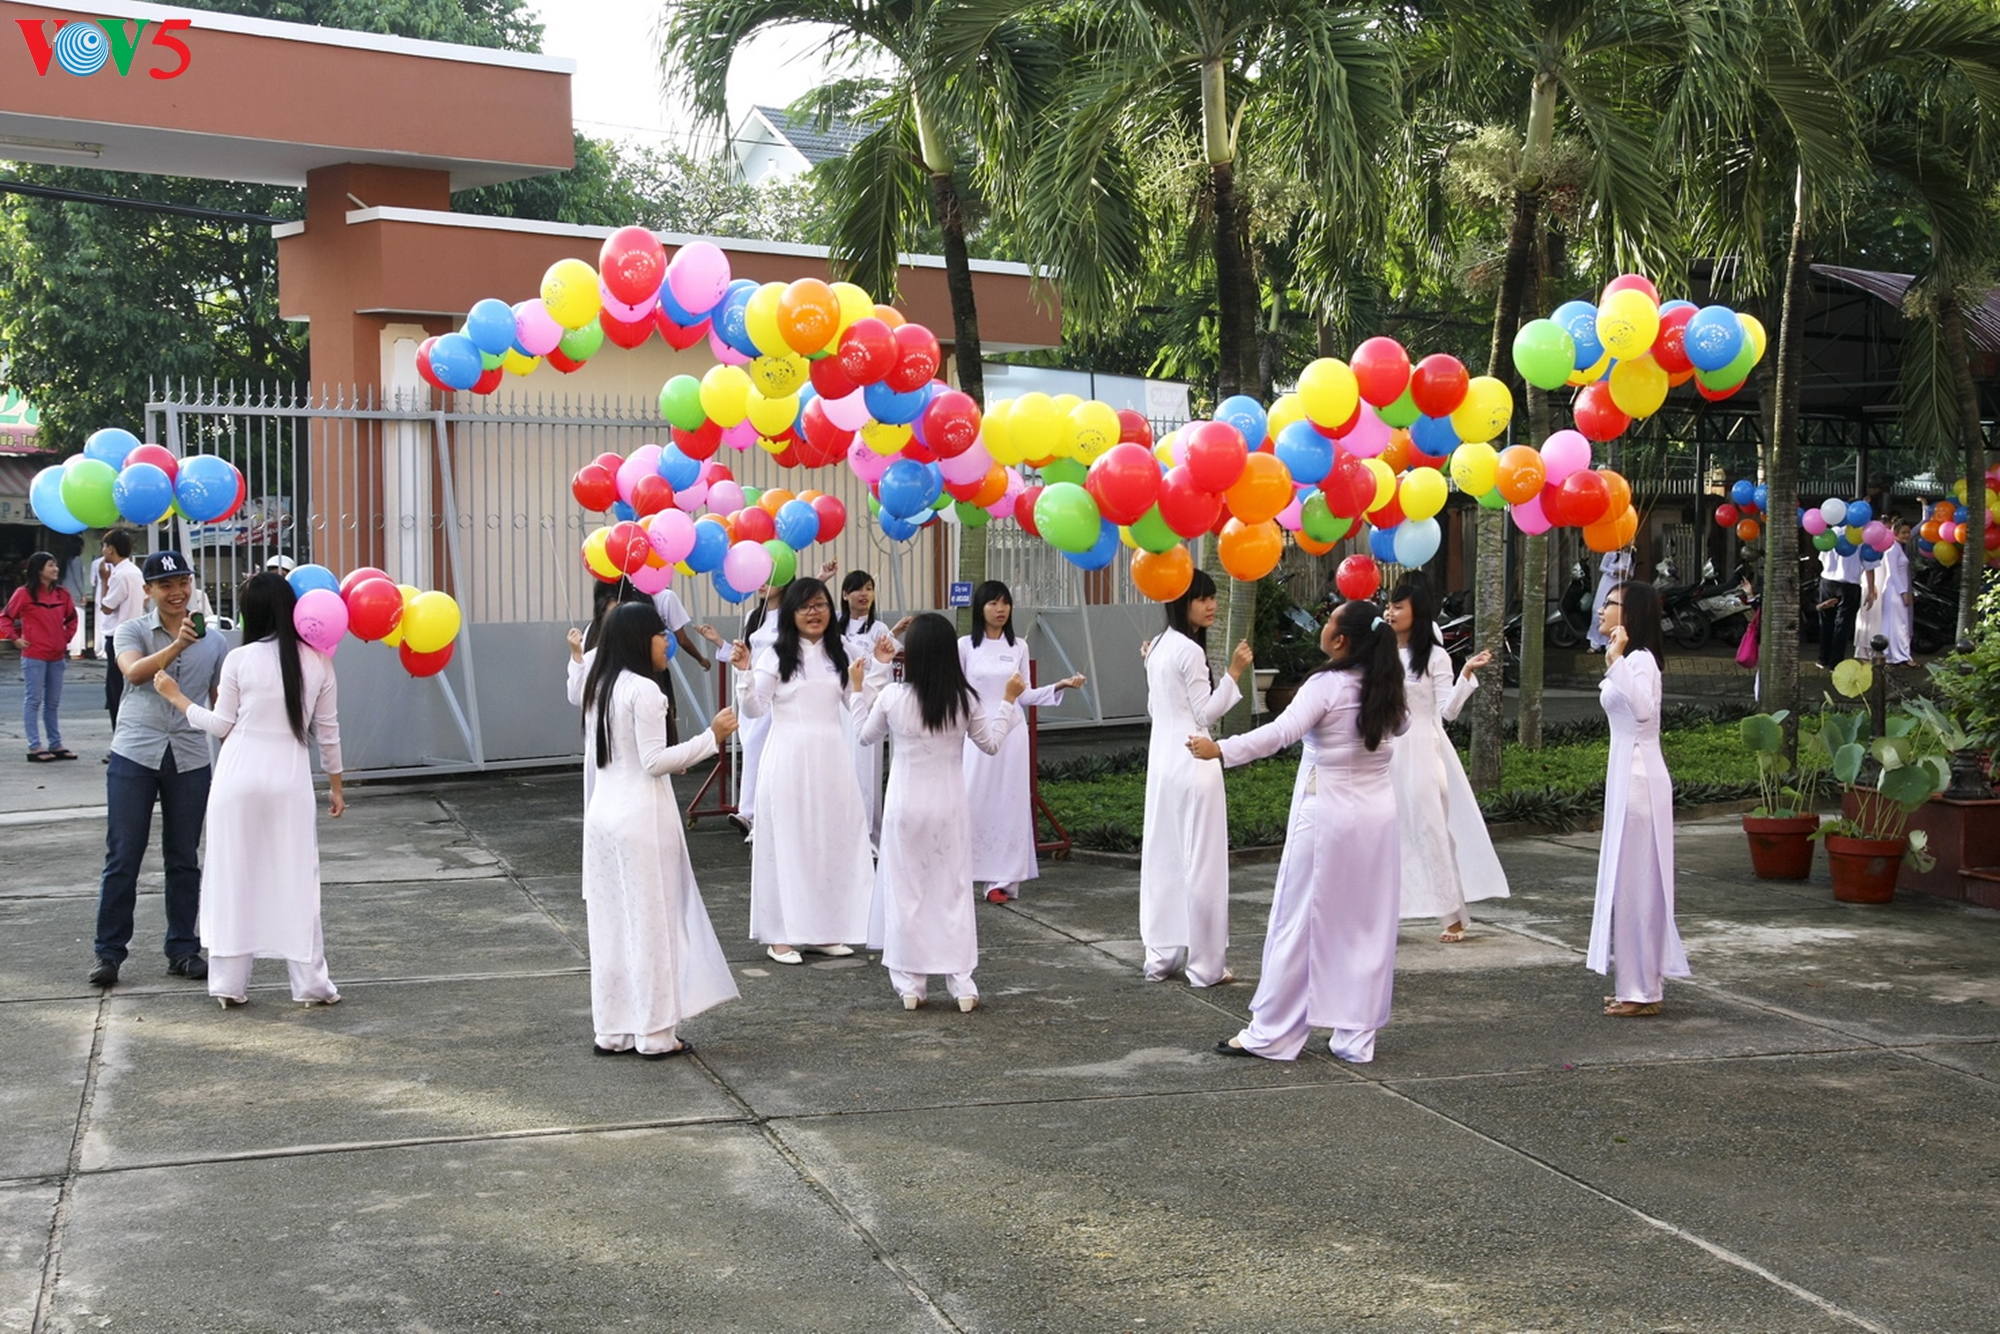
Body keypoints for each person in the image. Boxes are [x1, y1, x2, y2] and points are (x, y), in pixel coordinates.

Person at [1191, 600, 1408, 1064]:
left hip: (1327, 817)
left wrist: (1220, 749)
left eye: (1330, 620)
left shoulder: (1327, 684)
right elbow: (1402, 727)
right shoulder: (1387, 684)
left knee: (1299, 921)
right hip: (1377, 820)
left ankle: (1273, 1032)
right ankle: (1355, 1037)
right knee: (1367, 925)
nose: (1324, 625)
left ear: (1340, 640)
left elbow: (1279, 733)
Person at [152, 573, 344, 1007]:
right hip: (289, 782)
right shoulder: (318, 661)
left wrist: (176, 696)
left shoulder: (239, 658)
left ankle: (228, 983)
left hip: (236, 779)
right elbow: (328, 732)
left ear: (249, 614)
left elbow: (221, 725)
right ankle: (312, 984)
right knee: (298, 878)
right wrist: (336, 786)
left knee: (232, 876)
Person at [580, 601, 740, 1057]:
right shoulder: (644, 690)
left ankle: (613, 1029)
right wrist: (712, 737)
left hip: (603, 815)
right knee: (653, 922)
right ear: (639, 639)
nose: (667, 642)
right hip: (641, 818)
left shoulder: (599, 686)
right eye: (659, 634)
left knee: (612, 924)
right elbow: (654, 762)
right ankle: (655, 1033)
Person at [850, 613, 1022, 1011]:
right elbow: (991, 744)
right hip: (949, 806)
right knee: (952, 891)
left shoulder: (893, 697)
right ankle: (962, 983)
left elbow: (863, 735)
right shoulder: (965, 700)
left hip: (905, 806)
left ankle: (912, 984)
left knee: (907, 892)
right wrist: (1009, 701)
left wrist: (859, 690)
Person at [86, 550, 230, 988]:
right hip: (135, 753)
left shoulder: (216, 642)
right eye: (166, 585)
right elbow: (133, 673)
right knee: (124, 855)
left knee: (184, 857)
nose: (177, 592)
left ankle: (183, 949)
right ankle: (109, 953)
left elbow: (222, 703)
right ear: (148, 591)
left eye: (183, 582)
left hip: (189, 756)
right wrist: (178, 645)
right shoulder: (130, 630)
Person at [730, 576, 881, 965]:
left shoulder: (840, 653)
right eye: (805, 607)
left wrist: (875, 673)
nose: (815, 613)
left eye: (821, 605)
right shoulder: (775, 656)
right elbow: (754, 708)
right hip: (789, 759)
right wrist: (745, 674)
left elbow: (859, 706)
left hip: (831, 759)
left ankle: (823, 930)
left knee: (828, 841)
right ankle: (780, 935)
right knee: (787, 842)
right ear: (791, 613)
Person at [1139, 569, 1251, 986]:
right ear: (1181, 602)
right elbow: (1205, 713)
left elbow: (1155, 708)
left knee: (1165, 856)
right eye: (1202, 599)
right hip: (1195, 760)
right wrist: (1234, 673)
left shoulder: (1158, 647)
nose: (1211, 606)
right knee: (1203, 863)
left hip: (1163, 763)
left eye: (1212, 598)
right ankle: (1206, 965)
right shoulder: (1188, 650)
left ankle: (1161, 955)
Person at [1383, 575, 1509, 942]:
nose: (1390, 612)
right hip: (1386, 751)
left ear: (1417, 612)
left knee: (1430, 829)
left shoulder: (1435, 656)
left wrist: (1466, 674)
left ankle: (1451, 916)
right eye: (1389, 605)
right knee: (1385, 831)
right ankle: (1384, 912)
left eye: (1398, 606)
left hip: (1423, 750)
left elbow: (1447, 712)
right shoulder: (1381, 652)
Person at [1590, 580, 1688, 1017]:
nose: (1601, 609)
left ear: (1632, 615)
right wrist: (1616, 660)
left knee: (1639, 886)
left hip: (1640, 782)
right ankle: (1635, 984)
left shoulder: (1641, 660)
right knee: (1627, 886)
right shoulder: (1632, 660)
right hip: (1625, 776)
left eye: (1611, 603)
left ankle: (1644, 990)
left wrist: (1616, 661)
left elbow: (1644, 710)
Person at [959, 581, 1084, 903]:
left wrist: (1058, 686)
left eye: (1005, 603)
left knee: (1010, 802)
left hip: (1012, 732)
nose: (1000, 609)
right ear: (980, 608)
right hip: (977, 730)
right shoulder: (964, 647)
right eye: (992, 603)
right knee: (972, 797)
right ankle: (963, 871)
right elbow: (958, 692)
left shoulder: (1019, 646)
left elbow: (1024, 694)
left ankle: (1003, 881)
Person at [837, 569, 913, 845]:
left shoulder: (879, 629)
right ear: (845, 594)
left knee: (866, 766)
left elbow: (882, 659)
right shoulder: (835, 625)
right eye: (858, 589)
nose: (864, 594)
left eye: (869, 588)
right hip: (841, 700)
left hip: (869, 701)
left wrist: (890, 636)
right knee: (842, 764)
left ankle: (870, 834)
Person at [3, 552, 79, 762]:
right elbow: (5, 618)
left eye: (55, 565)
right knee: (33, 700)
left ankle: (55, 744)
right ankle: (35, 746)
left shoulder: (62, 594)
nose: (55, 569)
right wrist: (15, 639)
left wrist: (64, 638)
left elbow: (72, 619)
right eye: (50, 565)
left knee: (52, 703)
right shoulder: (23, 594)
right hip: (34, 656)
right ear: (38, 570)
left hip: (57, 656)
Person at [95, 529, 146, 727]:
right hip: (135, 632)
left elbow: (107, 607)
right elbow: (145, 598)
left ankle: (119, 731)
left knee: (115, 689)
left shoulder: (119, 575)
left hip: (117, 635)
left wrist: (104, 581)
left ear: (111, 549)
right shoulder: (135, 571)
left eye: (105, 546)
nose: (103, 550)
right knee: (128, 686)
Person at [1816, 543, 1863, 670]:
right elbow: (1868, 562)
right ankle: (1835, 662)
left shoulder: (1830, 535)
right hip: (1849, 583)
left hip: (1827, 580)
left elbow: (1822, 557)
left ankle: (1823, 658)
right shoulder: (1859, 537)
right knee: (1842, 624)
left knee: (1826, 621)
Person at [1588, 546, 1634, 652]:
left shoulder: (1630, 556)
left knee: (1614, 613)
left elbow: (1631, 572)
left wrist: (1627, 575)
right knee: (1599, 610)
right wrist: (1614, 572)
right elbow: (1602, 567)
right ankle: (1595, 643)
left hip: (1619, 585)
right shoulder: (1611, 553)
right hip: (1607, 584)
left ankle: (1610, 642)